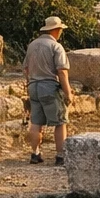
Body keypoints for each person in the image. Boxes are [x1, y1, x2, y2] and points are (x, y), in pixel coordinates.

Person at [24, 15, 74, 165]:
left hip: (33, 86)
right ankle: (60, 156)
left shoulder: (32, 45)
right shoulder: (56, 47)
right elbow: (62, 72)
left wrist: (29, 84)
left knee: (36, 122)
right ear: (56, 30)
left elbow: (26, 68)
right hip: (49, 87)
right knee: (60, 122)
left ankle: (35, 154)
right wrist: (68, 92)